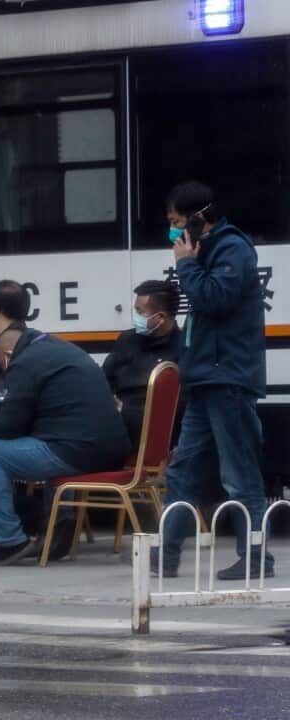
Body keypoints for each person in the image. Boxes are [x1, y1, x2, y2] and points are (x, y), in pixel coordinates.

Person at [157, 182, 270, 580]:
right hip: (205, 378)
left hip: (229, 378)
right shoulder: (208, 250)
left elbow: (215, 300)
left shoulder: (232, 248)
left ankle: (257, 559)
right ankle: (165, 555)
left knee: (238, 475)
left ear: (196, 219)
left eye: (175, 222)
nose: (172, 231)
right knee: (182, 469)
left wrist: (186, 264)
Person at [0, 328, 131, 565]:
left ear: (8, 354)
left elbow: (11, 424)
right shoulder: (63, 349)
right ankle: (60, 523)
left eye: (2, 366)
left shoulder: (24, 362)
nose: (6, 371)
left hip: (75, 451)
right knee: (50, 439)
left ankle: (10, 541)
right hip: (112, 450)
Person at [102, 280, 183, 446]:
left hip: (155, 431)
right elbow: (103, 379)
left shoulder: (183, 349)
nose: (135, 317)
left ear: (160, 317)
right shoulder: (127, 340)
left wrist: (126, 411)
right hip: (113, 422)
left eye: (140, 312)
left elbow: (178, 407)